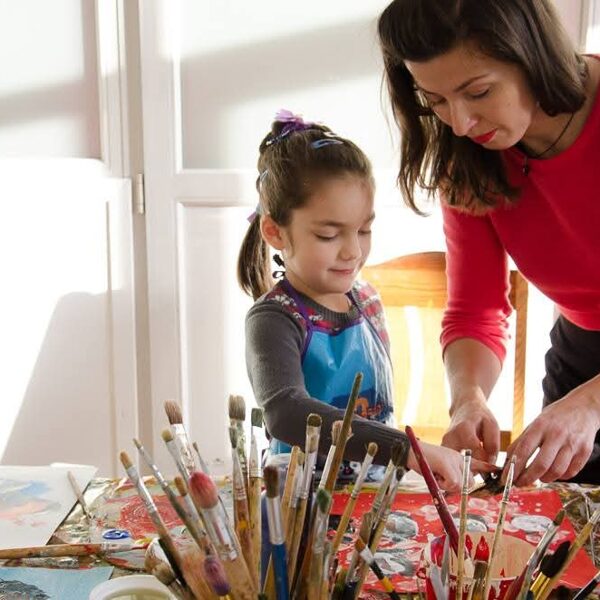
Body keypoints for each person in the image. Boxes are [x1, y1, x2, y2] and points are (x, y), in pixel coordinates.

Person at [377, 0, 600, 486]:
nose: (459, 123)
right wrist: (467, 398)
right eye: (435, 101)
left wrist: (591, 403)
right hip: (581, 354)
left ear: (531, 53)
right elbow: (475, 310)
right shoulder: (467, 158)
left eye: (477, 92)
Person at [237, 109, 486, 492]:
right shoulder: (273, 319)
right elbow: (286, 413)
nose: (353, 251)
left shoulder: (367, 300)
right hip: (302, 502)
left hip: (377, 492)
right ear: (275, 231)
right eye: (328, 235)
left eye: (364, 230)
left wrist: (422, 460)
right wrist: (407, 449)